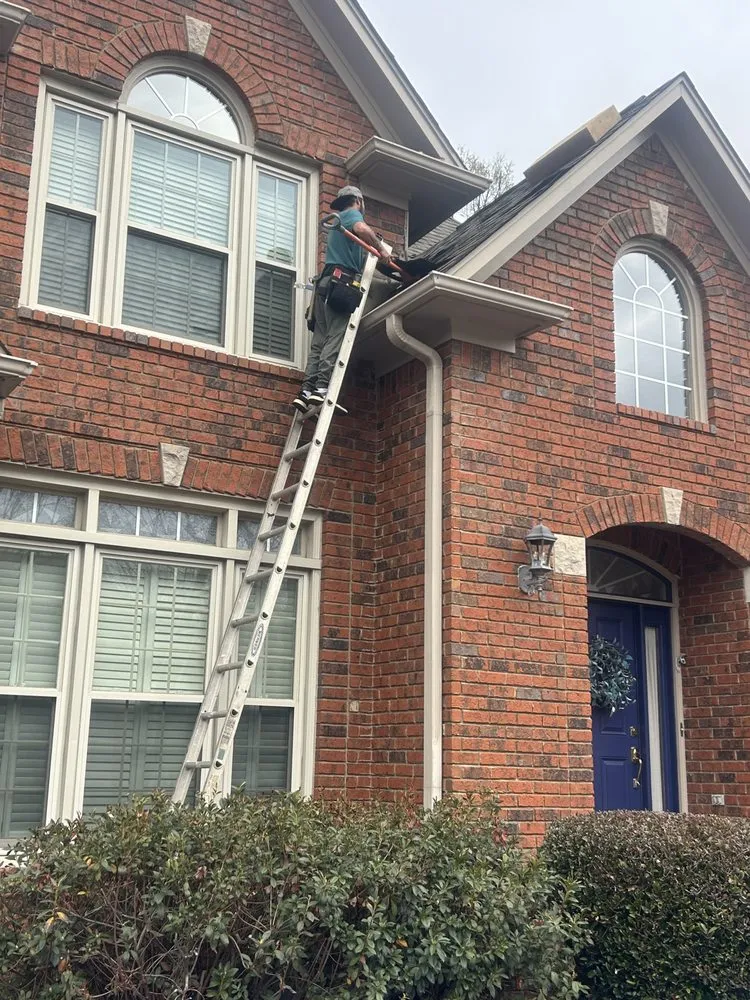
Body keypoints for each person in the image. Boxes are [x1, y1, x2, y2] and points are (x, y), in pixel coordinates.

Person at [293, 186, 391, 413]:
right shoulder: (351, 215)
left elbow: (358, 240)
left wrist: (372, 246)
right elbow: (361, 228)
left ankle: (306, 390)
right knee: (335, 337)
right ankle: (321, 388)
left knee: (319, 341)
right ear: (358, 200)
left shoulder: (338, 225)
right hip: (342, 283)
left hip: (325, 284)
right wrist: (382, 250)